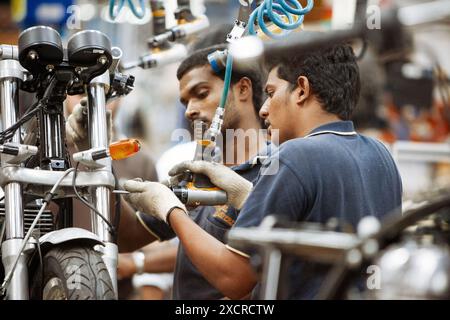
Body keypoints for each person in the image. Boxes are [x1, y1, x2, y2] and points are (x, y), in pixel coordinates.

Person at [122, 40, 403, 299]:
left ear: (302, 90)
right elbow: (314, 231)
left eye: (270, 93)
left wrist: (171, 211)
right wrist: (247, 196)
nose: (264, 109)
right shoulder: (380, 154)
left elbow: (233, 278)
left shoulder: (293, 156)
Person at [67, 44, 268, 299]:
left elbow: (238, 282)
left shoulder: (272, 171)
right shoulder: (200, 170)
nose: (189, 110)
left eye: (201, 93)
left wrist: (171, 211)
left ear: (243, 89)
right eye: (185, 101)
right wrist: (97, 163)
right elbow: (130, 237)